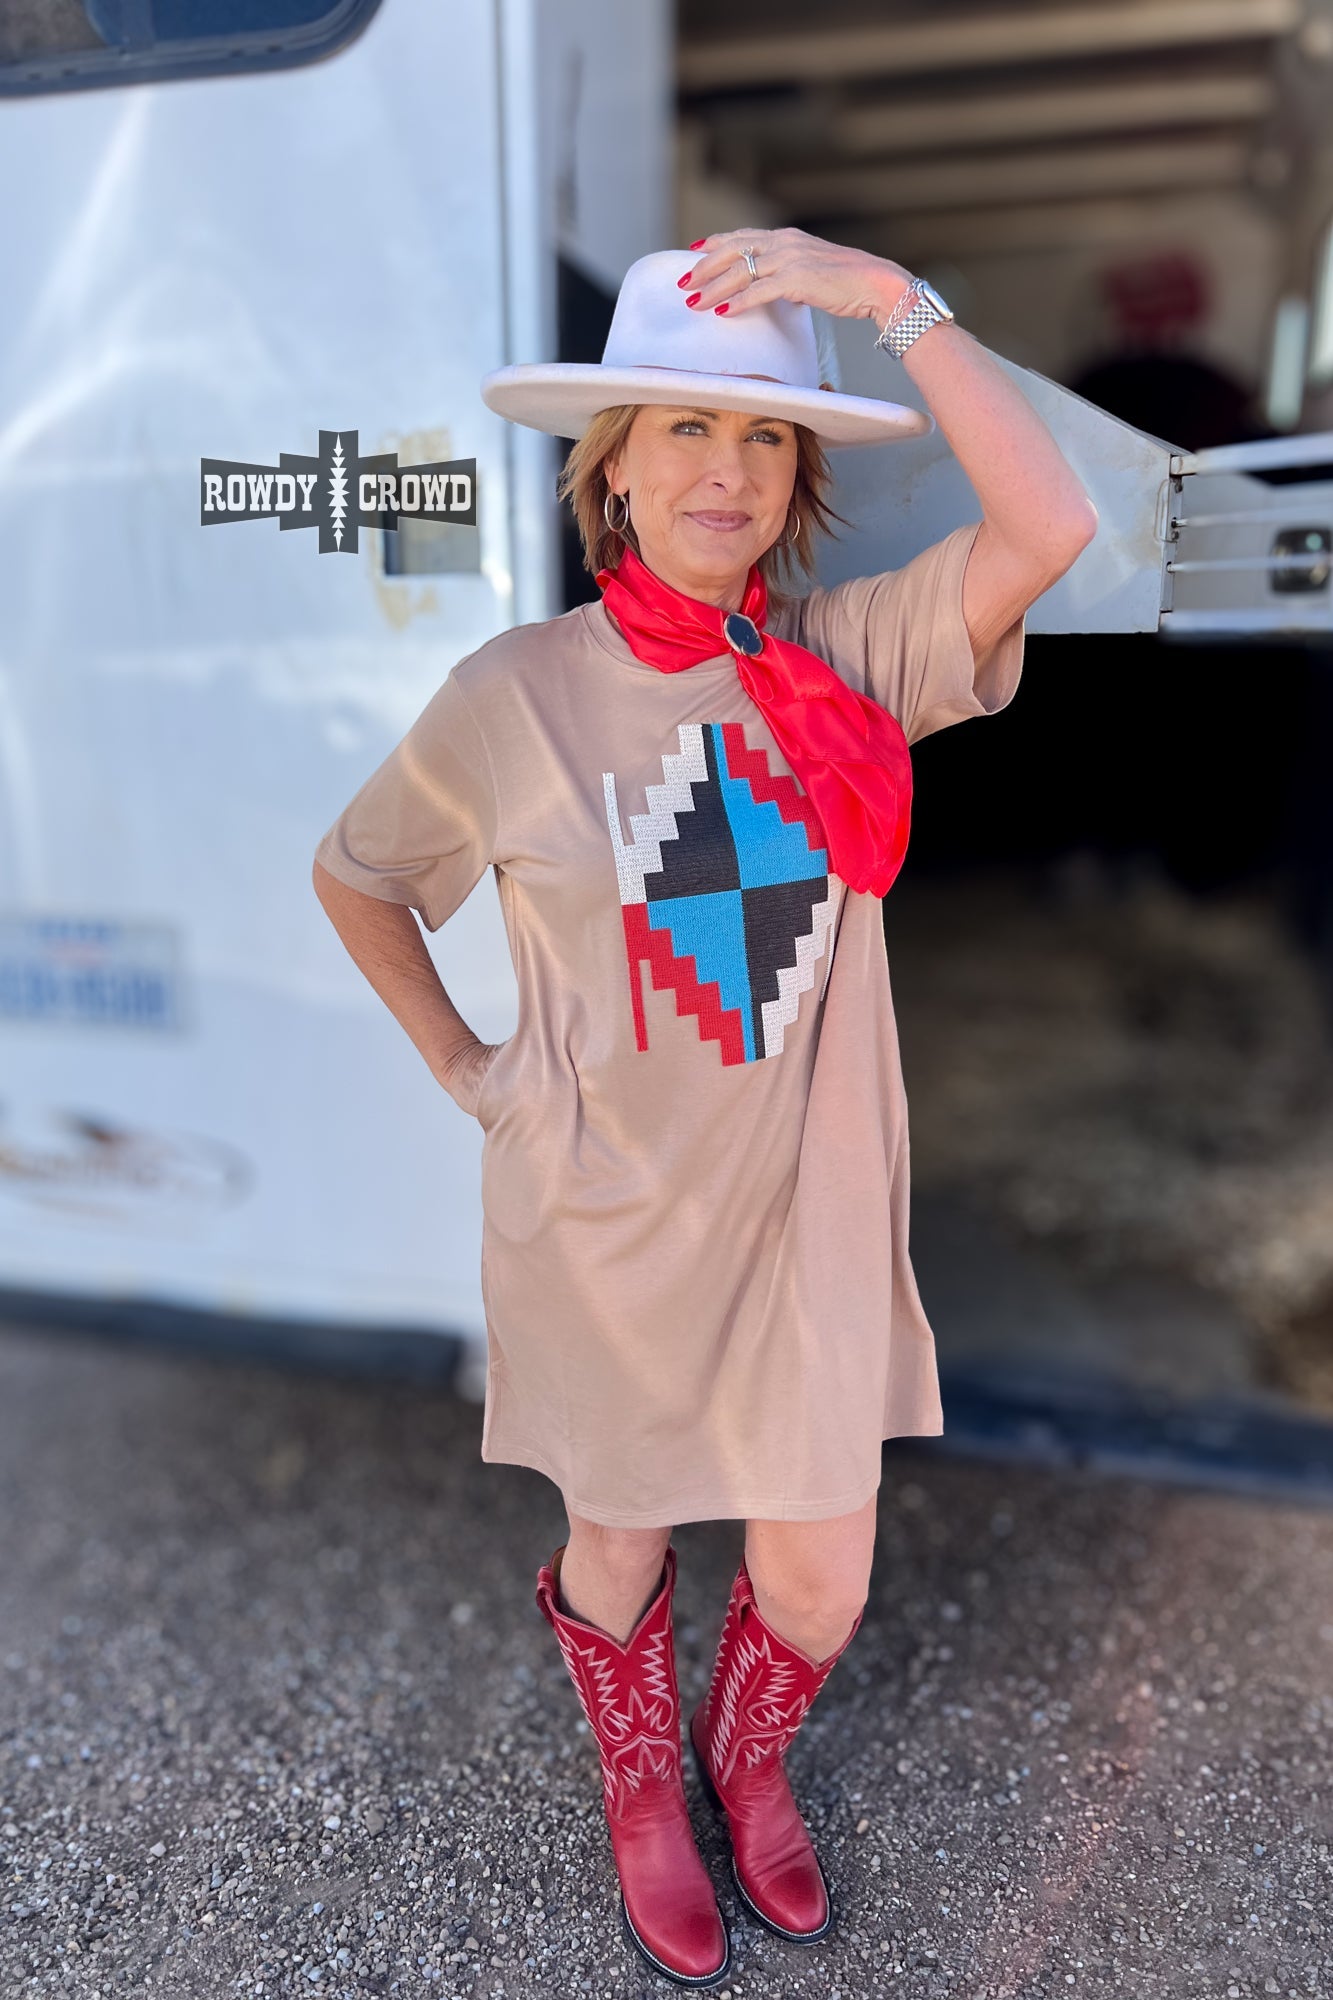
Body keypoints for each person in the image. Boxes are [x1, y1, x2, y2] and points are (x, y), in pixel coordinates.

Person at [312, 228, 1097, 1988]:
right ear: (612, 467)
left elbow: (1048, 524)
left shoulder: (848, 657)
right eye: (682, 426)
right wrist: (465, 1067)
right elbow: (357, 877)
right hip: (599, 1214)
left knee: (817, 1580)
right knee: (618, 1536)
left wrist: (880, 299)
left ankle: (746, 1765)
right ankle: (640, 1788)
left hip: (807, 1214)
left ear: (798, 479)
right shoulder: (512, 694)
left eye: (762, 436)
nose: (724, 468)